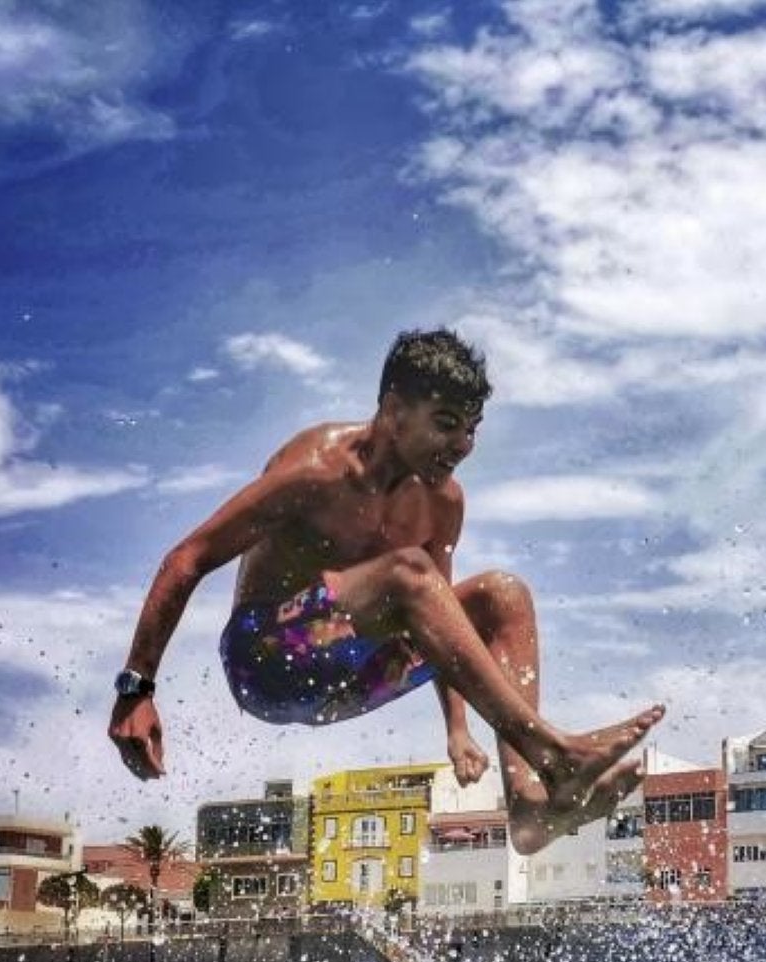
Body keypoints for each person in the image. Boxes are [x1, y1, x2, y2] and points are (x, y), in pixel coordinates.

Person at [107, 328, 664, 853]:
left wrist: (459, 731)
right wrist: (137, 689)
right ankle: (553, 752)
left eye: (472, 428)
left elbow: (446, 626)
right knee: (406, 572)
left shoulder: (442, 502)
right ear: (394, 411)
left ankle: (531, 804)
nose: (462, 444)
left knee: (502, 596)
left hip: (354, 675)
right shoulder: (316, 469)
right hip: (267, 662)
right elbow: (188, 557)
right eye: (447, 423)